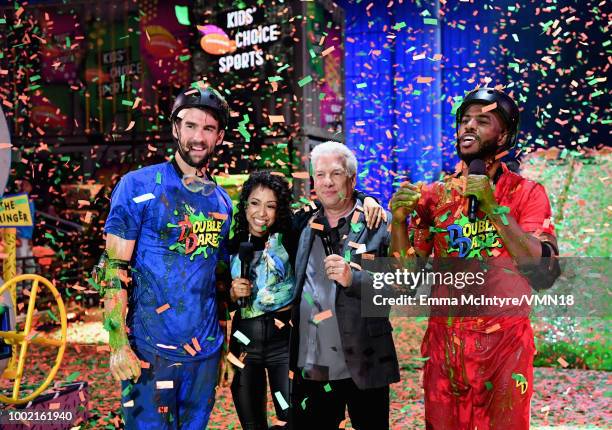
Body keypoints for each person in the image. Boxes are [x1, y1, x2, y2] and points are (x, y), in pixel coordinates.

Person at [390, 88, 560, 429]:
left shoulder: (528, 193)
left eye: (483, 121)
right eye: (464, 120)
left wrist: (493, 207)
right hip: (445, 345)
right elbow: (405, 283)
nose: (468, 127)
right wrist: (398, 223)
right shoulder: (435, 196)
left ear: (505, 135)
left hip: (505, 344)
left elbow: (544, 273)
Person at [96, 86, 233, 429]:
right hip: (149, 353)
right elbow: (113, 269)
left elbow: (219, 281)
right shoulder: (137, 186)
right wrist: (117, 344)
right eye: (190, 126)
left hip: (204, 357)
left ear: (220, 136)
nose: (198, 137)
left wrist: (227, 347)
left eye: (208, 128)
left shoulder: (222, 203)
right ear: (175, 128)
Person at [227, 171, 386, 430]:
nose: (261, 213)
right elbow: (220, 297)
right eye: (255, 203)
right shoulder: (233, 242)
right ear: (245, 205)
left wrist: (366, 198)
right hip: (244, 344)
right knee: (252, 424)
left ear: (279, 210)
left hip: (285, 345)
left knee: (296, 420)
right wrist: (232, 294)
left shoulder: (293, 232)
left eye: (271, 206)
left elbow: (329, 201)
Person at [289, 141, 400, 430]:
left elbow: (400, 286)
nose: (326, 182)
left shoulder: (379, 223)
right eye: (320, 174)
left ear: (351, 178)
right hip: (313, 365)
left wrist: (355, 279)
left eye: (336, 174)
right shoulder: (303, 222)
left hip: (365, 360)